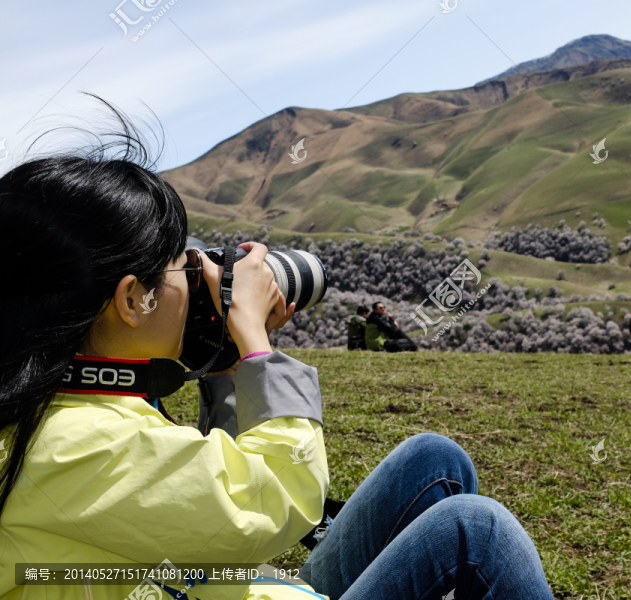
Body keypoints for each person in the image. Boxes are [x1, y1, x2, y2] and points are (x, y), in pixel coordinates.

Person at [0, 105, 554, 600]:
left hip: (240, 584)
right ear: (132, 298)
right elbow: (276, 500)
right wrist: (258, 350)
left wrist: (224, 360)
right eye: (180, 264)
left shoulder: (59, 405)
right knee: (475, 532)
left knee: (433, 459)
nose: (197, 279)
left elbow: (205, 477)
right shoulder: (74, 448)